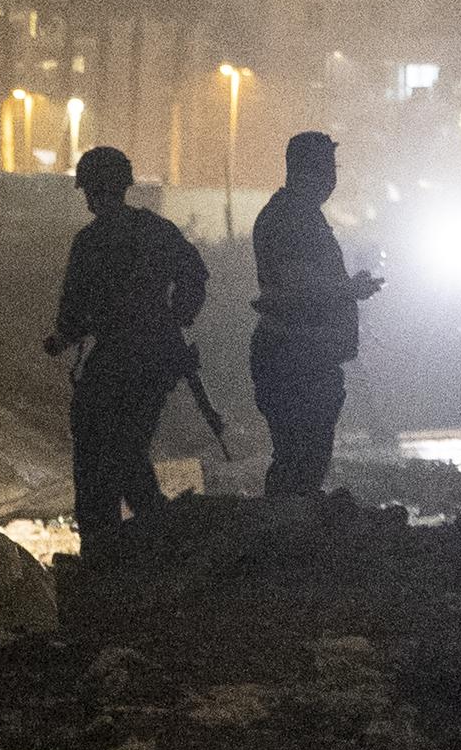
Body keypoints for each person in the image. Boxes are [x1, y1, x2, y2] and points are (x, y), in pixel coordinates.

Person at [42, 145, 208, 541]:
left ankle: (114, 545)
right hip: (153, 361)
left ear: (91, 190)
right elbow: (195, 274)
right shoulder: (156, 229)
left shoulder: (91, 241)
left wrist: (60, 340)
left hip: (116, 360)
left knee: (97, 455)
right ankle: (152, 533)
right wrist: (176, 318)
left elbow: (74, 310)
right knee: (128, 450)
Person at [244, 130, 384, 497]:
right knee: (299, 462)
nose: (332, 179)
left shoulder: (301, 217)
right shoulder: (289, 220)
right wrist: (348, 290)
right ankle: (286, 540)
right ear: (305, 170)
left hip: (306, 356)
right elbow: (298, 289)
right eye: (326, 168)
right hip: (293, 357)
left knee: (305, 461)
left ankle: (289, 534)